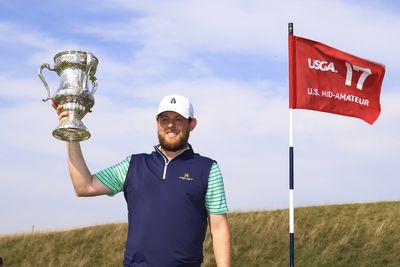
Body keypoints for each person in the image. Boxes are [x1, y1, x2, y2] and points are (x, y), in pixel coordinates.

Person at [53, 94, 231, 267]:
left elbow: (219, 228)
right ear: (157, 123)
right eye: (164, 119)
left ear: (191, 124)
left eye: (179, 119)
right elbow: (84, 186)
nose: (170, 125)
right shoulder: (133, 165)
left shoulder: (207, 169)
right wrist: (72, 130)